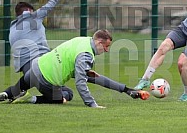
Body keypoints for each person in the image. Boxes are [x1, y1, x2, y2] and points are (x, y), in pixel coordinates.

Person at [11, 29, 150, 108]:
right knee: (65, 97)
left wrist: (127, 90)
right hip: (46, 79)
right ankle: (31, 99)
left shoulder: (82, 41)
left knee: (17, 89)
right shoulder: (86, 55)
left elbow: (97, 79)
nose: (107, 50)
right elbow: (80, 83)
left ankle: (7, 95)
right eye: (106, 46)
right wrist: (92, 104)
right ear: (99, 42)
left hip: (36, 66)